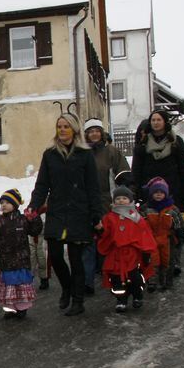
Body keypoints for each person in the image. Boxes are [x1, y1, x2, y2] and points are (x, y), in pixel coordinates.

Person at [26, 112, 102, 316]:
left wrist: (96, 215)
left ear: (74, 129)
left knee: (76, 260)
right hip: (58, 211)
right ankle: (67, 287)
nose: (62, 130)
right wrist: (34, 205)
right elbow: (42, 184)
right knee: (57, 256)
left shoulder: (85, 155)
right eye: (59, 126)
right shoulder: (50, 154)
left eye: (66, 126)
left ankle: (78, 301)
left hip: (79, 212)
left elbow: (93, 187)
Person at [82, 118, 130, 294]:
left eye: (97, 130)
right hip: (86, 204)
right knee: (88, 244)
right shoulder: (81, 152)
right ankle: (87, 282)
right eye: (90, 131)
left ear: (101, 133)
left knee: (109, 242)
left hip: (108, 203)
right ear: (86, 134)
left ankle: (112, 277)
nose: (94, 134)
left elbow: (123, 176)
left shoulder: (111, 152)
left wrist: (122, 198)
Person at [98, 187, 156, 313]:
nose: (121, 201)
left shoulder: (135, 216)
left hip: (132, 254)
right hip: (116, 254)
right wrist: (99, 230)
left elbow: (144, 233)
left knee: (135, 277)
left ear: (130, 200)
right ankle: (121, 300)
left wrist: (146, 252)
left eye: (124, 198)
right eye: (118, 198)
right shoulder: (109, 217)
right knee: (116, 279)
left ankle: (137, 296)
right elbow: (105, 235)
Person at [0, 189, 43, 319]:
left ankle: (22, 309)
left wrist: (34, 219)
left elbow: (35, 231)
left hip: (21, 260)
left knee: (21, 286)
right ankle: (10, 310)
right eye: (2, 202)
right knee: (8, 287)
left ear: (16, 204)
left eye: (7, 202)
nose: (4, 205)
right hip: (5, 261)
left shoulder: (23, 220)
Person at [132, 110, 184, 213]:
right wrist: (136, 190)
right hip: (149, 191)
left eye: (159, 120)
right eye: (153, 120)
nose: (156, 123)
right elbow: (136, 169)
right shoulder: (143, 143)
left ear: (165, 122)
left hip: (173, 190)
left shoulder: (176, 141)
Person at [141, 177, 184, 291]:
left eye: (161, 192)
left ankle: (166, 281)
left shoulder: (172, 209)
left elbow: (179, 223)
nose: (158, 195)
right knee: (152, 260)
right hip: (151, 238)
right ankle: (152, 281)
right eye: (156, 192)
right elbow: (141, 223)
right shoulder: (146, 208)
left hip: (167, 238)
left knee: (168, 260)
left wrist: (180, 236)